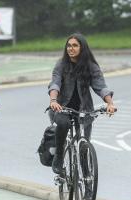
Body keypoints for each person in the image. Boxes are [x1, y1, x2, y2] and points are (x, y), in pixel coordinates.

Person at [48, 33, 117, 180]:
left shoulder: (91, 66)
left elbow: (101, 86)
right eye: (68, 45)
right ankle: (59, 157)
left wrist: (109, 103)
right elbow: (55, 83)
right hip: (62, 108)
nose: (70, 48)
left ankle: (87, 181)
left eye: (75, 45)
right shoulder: (61, 64)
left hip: (84, 111)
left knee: (84, 147)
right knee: (63, 123)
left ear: (82, 48)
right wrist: (53, 100)